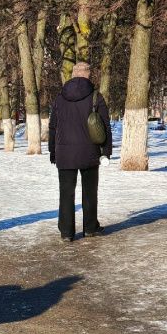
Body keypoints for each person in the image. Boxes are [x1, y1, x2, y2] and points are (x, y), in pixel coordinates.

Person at [48, 61, 112, 242]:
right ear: (88, 74)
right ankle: (90, 228)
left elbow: (53, 127)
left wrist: (53, 151)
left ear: (73, 74)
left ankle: (67, 232)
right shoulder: (95, 97)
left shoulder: (60, 97)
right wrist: (105, 152)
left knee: (66, 193)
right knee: (90, 192)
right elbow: (105, 126)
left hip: (65, 153)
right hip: (89, 152)